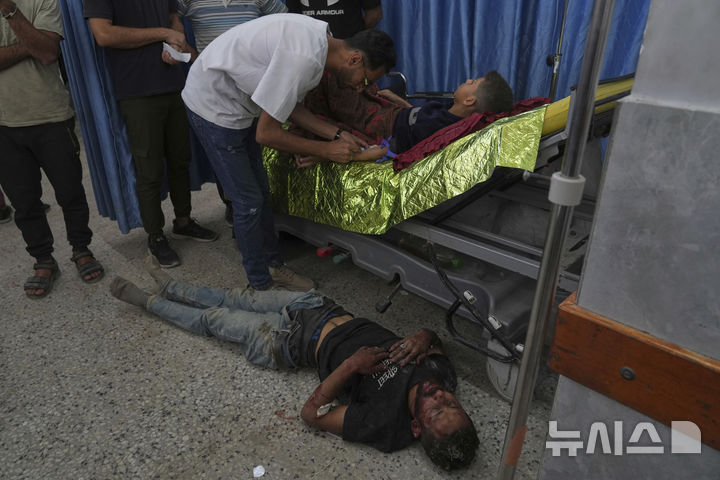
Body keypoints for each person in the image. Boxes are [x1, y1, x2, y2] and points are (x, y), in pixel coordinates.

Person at [109, 261, 480, 470]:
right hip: (318, 307)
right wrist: (424, 334)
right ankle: (171, 287)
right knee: (235, 296)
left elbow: (311, 415)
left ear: (416, 426)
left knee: (214, 318)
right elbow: (436, 340)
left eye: (435, 411)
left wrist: (352, 365)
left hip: (286, 342)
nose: (439, 396)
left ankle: (149, 302)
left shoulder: (384, 424)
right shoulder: (442, 375)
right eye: (452, 404)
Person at [181, 14, 396, 290]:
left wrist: (336, 134)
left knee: (261, 193)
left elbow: (288, 104)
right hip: (213, 106)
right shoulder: (303, 58)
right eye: (364, 81)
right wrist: (327, 150)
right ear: (355, 59)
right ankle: (260, 287)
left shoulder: (321, 42)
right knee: (248, 202)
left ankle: (274, 267)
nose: (360, 88)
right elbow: (266, 134)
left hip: (239, 101)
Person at [84, 0, 218, 269]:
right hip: (137, 92)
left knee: (181, 160)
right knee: (149, 170)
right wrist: (163, 33)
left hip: (173, 84)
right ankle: (155, 237)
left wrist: (176, 42)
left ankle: (183, 221)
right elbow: (104, 35)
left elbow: (173, 17)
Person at [0, 0, 105, 298]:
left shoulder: (42, 1)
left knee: (70, 192)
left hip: (51, 116)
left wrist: (9, 11)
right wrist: (29, 46)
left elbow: (47, 53)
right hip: (3, 124)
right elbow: (39, 47)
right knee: (24, 202)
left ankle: (81, 249)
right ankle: (43, 259)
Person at [174, 0, 288, 227]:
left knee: (256, 156)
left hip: (253, 90)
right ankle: (234, 207)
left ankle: (264, 214)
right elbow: (172, 17)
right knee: (227, 161)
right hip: (214, 94)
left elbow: (284, 20)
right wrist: (190, 52)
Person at [295, 70, 515, 166]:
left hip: (383, 128)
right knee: (352, 84)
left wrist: (328, 154)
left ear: (469, 101)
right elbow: (420, 117)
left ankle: (294, 108)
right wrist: (398, 102)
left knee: (333, 81)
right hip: (394, 112)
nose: (467, 80)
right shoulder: (451, 113)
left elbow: (388, 150)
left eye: (472, 83)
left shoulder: (443, 131)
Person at [286, 0, 382, 39]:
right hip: (312, 52)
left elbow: (374, 14)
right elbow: (293, 18)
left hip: (350, 52)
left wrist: (356, 38)